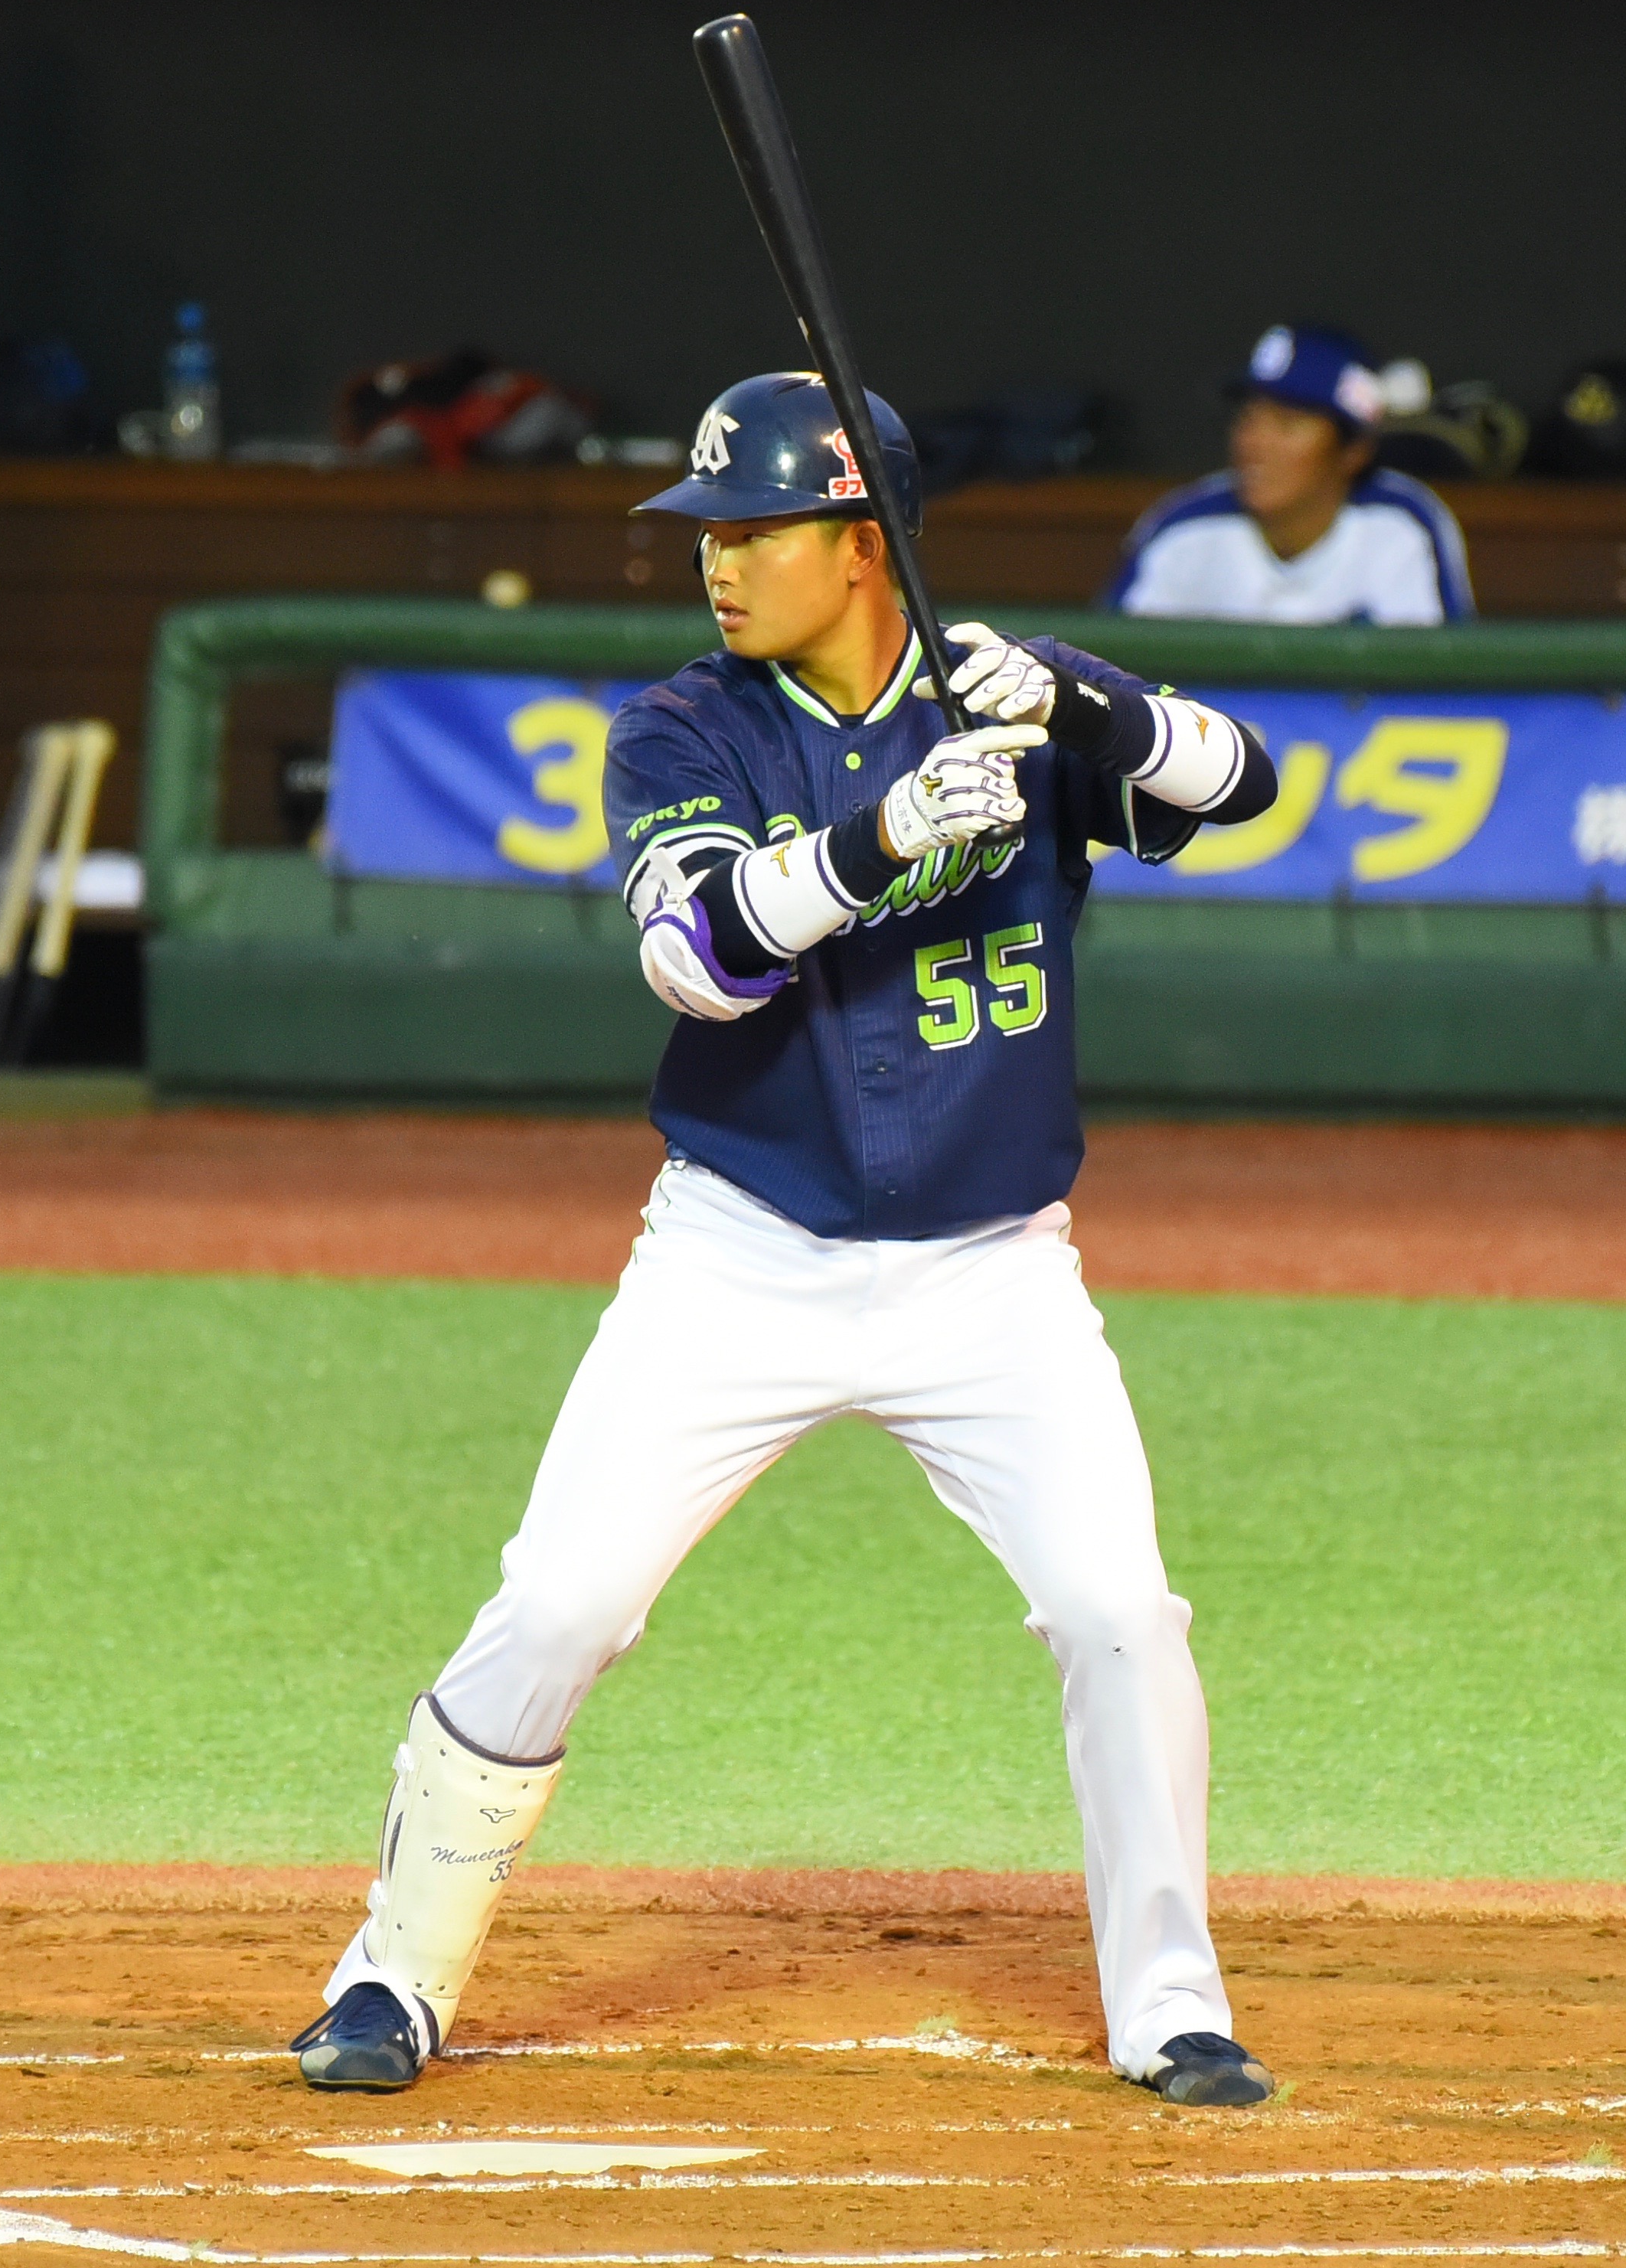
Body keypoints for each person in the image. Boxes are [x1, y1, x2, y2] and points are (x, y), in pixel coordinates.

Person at [288, 371, 1281, 2109]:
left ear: (862, 539)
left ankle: (1173, 2004)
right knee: (563, 1601)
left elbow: (1245, 789)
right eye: (708, 534)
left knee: (1122, 1608)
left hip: (993, 1273)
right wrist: (880, 839)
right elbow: (697, 952)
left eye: (752, 530)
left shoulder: (1013, 695)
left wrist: (1086, 704)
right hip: (739, 1256)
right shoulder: (686, 726)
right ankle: (392, 1974)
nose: (717, 565)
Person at [1108, 325, 1474, 625]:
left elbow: (1445, 700)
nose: (1254, 444)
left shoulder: (1403, 527)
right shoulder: (1182, 529)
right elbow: (1105, 689)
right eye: (1249, 419)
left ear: (1353, 451)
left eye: (1287, 424)